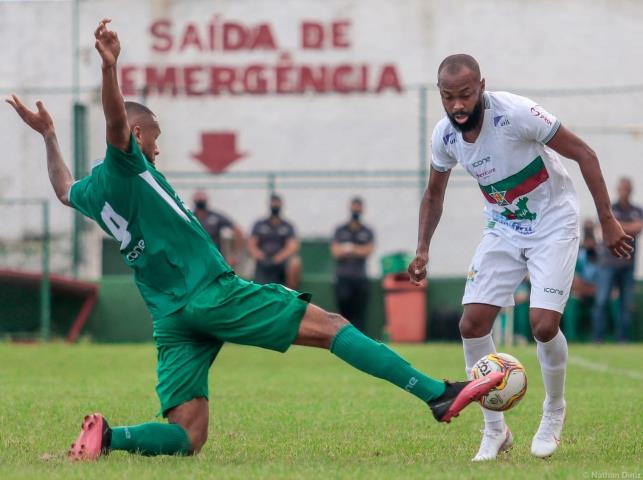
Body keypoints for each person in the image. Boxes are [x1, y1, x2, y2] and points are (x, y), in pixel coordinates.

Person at [6, 21, 503, 461]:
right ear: (137, 136)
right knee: (331, 326)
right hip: (209, 292)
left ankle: (109, 438)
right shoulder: (126, 163)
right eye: (154, 138)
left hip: (172, 318)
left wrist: (49, 136)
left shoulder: (94, 191)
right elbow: (116, 122)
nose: (158, 148)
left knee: (187, 437)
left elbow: (62, 189)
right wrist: (110, 69)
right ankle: (436, 393)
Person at [407, 54, 632, 461]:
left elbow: (585, 154)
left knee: (543, 326)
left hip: (553, 223)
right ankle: (495, 431)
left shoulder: (516, 113)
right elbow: (433, 194)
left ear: (480, 87)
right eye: (448, 97)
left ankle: (554, 409)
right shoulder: (445, 135)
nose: (457, 105)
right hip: (502, 227)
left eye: (464, 95)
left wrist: (608, 221)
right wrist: (423, 248)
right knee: (472, 324)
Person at [591, 178, 643, 342]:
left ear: (631, 190)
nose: (625, 191)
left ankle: (623, 339)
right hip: (608, 263)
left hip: (628, 264)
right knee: (602, 301)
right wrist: (626, 227)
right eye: (622, 188)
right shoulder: (610, 208)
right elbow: (603, 226)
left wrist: (616, 225)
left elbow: (638, 227)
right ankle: (598, 338)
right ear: (617, 189)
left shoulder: (637, 209)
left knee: (626, 305)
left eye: (628, 188)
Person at [330, 197, 375, 333]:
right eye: (354, 206)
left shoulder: (367, 231)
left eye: (358, 207)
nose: (356, 210)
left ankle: (359, 343)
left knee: (360, 315)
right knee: (343, 315)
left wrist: (349, 248)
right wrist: (357, 249)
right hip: (342, 278)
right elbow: (336, 252)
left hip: (360, 278)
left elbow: (368, 250)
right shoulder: (340, 230)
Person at [247, 194, 301, 289]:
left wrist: (277, 258)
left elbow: (293, 246)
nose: (275, 206)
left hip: (282, 262)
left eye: (277, 204)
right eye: (273, 203)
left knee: (295, 262)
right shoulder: (259, 224)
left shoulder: (288, 225)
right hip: (262, 260)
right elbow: (251, 245)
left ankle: (292, 293)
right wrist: (260, 256)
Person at [563, 220, 600, 341]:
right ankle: (572, 337)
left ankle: (600, 336)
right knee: (572, 300)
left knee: (610, 299)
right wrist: (587, 290)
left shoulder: (601, 253)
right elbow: (575, 281)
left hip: (598, 291)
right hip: (582, 291)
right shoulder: (578, 253)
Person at [192, 190, 244, 268]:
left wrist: (235, 255)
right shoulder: (189, 217)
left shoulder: (215, 216)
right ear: (194, 200)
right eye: (198, 199)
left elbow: (238, 231)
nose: (200, 200)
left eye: (202, 198)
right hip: (195, 259)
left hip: (215, 260)